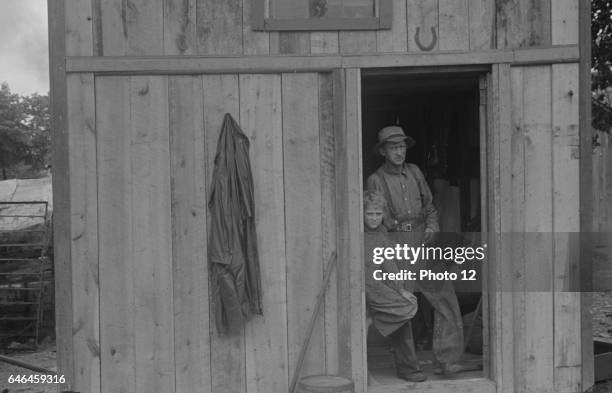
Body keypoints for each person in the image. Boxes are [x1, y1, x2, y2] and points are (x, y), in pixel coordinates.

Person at [366, 125, 465, 380]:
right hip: (398, 244)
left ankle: (448, 360)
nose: (399, 152)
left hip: (424, 241)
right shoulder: (376, 179)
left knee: (445, 297)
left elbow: (430, 207)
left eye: (401, 147)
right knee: (403, 306)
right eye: (393, 147)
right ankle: (409, 368)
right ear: (383, 151)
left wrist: (432, 226)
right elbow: (377, 220)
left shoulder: (415, 172)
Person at [363, 190, 422, 382]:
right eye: (369, 214)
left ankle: (408, 368)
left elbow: (389, 266)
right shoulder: (356, 233)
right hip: (360, 286)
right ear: (361, 214)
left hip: (377, 285)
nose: (373, 218)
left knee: (403, 312)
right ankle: (359, 369)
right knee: (397, 309)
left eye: (378, 214)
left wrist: (400, 290)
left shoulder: (381, 233)